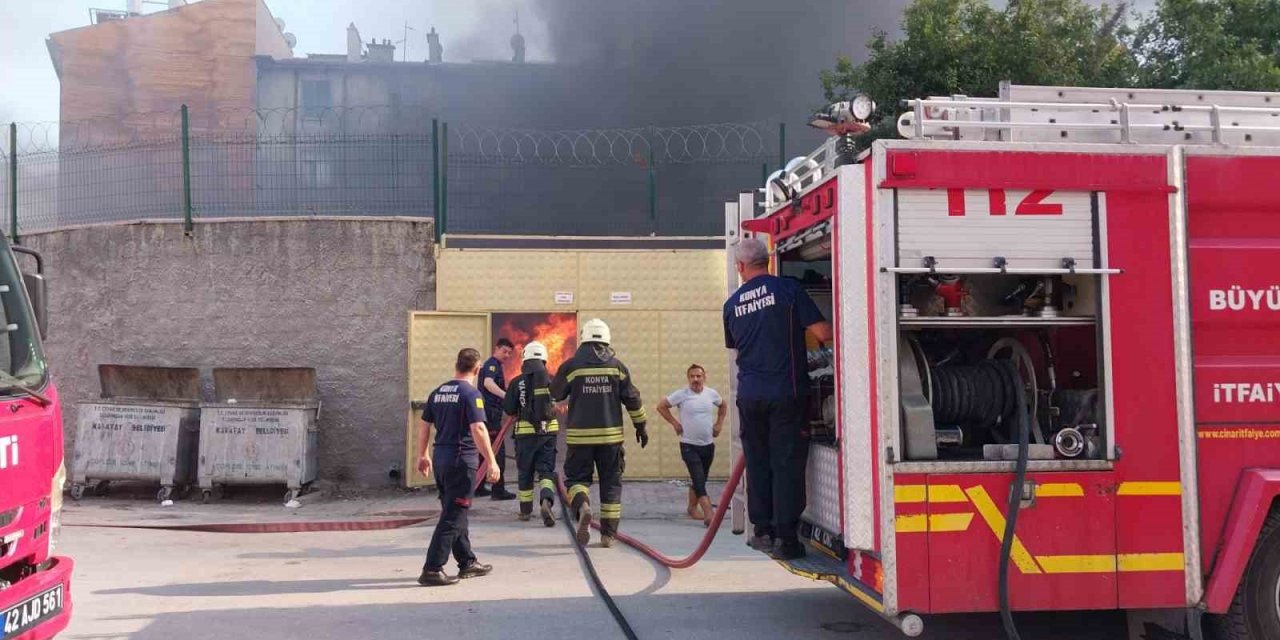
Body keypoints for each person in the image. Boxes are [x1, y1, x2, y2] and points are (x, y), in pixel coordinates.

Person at [723, 237, 832, 560]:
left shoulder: (731, 304)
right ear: (768, 260)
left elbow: (737, 346)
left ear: (740, 267)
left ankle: (763, 531)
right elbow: (823, 333)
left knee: (758, 462)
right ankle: (787, 538)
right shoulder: (787, 290)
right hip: (786, 393)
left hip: (750, 394)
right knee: (786, 463)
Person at [551, 318, 648, 548]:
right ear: (606, 339)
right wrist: (641, 425)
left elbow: (556, 392)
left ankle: (583, 504)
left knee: (576, 480)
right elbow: (632, 399)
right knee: (611, 484)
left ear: (584, 338)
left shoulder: (572, 366)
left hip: (579, 438)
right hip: (610, 439)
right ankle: (608, 535)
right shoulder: (617, 367)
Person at [416, 347, 502, 586]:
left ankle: (467, 562)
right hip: (461, 460)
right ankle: (432, 568)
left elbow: (424, 426)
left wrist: (422, 455)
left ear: (456, 365)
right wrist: (492, 461)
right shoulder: (471, 394)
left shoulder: (438, 392)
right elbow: (478, 429)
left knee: (455, 511)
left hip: (441, 458)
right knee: (453, 515)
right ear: (477, 369)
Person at [656, 364, 726, 527]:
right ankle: (709, 514)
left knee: (700, 479)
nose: (695, 379)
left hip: (708, 445)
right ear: (688, 378)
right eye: (692, 376)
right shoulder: (681, 395)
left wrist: (719, 424)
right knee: (698, 478)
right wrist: (674, 423)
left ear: (704, 377)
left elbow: (723, 405)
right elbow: (661, 406)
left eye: (698, 376)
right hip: (688, 445)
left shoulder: (711, 394)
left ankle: (692, 508)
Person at [501, 341, 559, 527]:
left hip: (524, 436)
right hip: (548, 433)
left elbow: (509, 409)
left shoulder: (517, 382)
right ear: (544, 359)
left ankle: (525, 511)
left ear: (525, 358)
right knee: (546, 471)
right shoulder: (552, 379)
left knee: (525, 472)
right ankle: (546, 501)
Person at [477, 337, 517, 500]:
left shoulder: (495, 365)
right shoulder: (492, 365)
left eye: (509, 353)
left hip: (488, 414)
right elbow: (488, 383)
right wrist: (506, 396)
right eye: (504, 351)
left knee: (483, 450)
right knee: (498, 451)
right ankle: (498, 490)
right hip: (490, 415)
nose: (507, 355)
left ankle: (478, 487)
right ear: (496, 348)